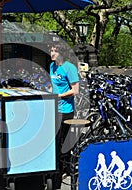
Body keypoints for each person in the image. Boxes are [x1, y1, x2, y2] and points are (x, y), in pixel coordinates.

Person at [49, 42, 79, 189]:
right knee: (53, 141)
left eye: (55, 51)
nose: (52, 53)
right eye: (51, 50)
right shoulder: (52, 66)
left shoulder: (69, 68)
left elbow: (75, 90)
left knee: (61, 142)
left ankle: (59, 175)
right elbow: (53, 85)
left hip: (65, 110)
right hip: (53, 108)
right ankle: (54, 169)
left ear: (62, 53)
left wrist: (60, 95)